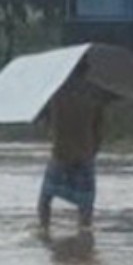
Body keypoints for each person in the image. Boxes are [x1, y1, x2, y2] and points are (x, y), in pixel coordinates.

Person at [38, 61, 107, 232]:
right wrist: (93, 150)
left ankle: (44, 229)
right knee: (85, 204)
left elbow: (48, 122)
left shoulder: (56, 93)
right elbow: (99, 129)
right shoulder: (94, 95)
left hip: (61, 153)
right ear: (86, 71)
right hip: (84, 154)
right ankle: (84, 233)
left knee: (45, 198)